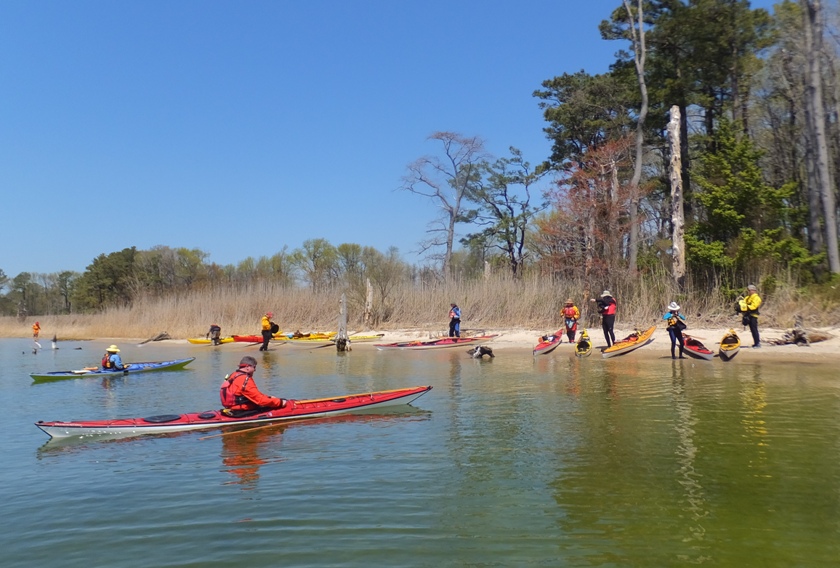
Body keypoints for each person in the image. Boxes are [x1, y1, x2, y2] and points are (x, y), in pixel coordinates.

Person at [219, 356, 288, 413]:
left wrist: (269, 397)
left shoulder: (233, 375)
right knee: (279, 402)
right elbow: (260, 400)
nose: (255, 370)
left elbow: (253, 395)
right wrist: (280, 402)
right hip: (241, 409)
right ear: (248, 367)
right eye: (254, 367)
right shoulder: (245, 380)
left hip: (231, 407)